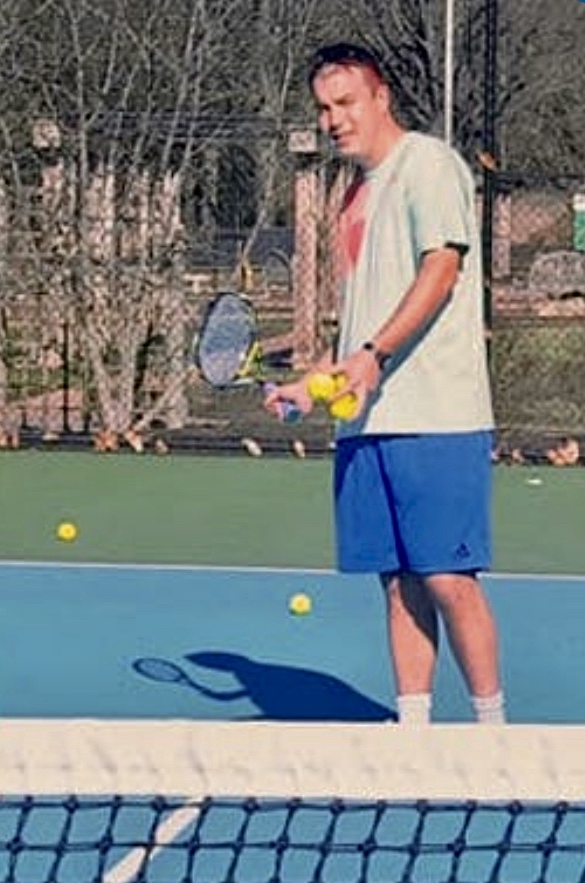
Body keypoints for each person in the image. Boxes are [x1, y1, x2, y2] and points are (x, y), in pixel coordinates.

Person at [266, 42, 505, 725]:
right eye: (322, 108)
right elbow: (360, 322)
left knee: (446, 578)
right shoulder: (353, 194)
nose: (334, 119)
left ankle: (494, 733)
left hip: (438, 414)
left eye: (345, 102)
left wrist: (372, 353)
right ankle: (412, 731)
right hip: (367, 421)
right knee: (398, 583)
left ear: (379, 98)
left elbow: (440, 272)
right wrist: (314, 383)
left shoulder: (427, 165)